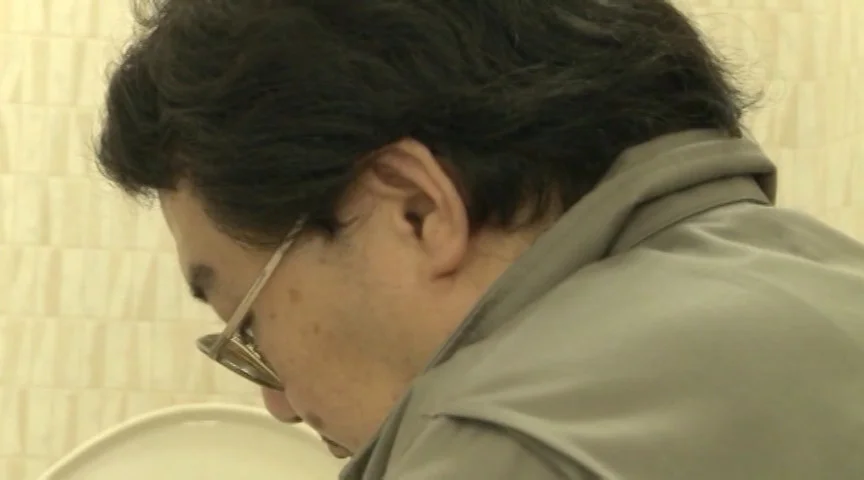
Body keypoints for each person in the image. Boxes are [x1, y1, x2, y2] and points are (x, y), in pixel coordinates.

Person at [94, 0, 864, 478]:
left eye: (249, 328)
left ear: (415, 211)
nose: (279, 405)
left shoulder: (507, 448)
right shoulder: (828, 279)